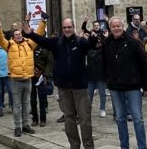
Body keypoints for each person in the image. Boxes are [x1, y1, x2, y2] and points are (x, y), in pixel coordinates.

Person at [26, 17, 100, 149]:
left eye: (69, 27)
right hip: (64, 87)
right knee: (69, 118)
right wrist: (30, 33)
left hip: (80, 87)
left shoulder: (80, 41)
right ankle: (74, 145)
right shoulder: (57, 42)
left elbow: (93, 46)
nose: (67, 30)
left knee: (84, 119)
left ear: (73, 27)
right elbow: (42, 40)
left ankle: (88, 146)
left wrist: (93, 38)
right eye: (65, 27)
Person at [101, 16, 147, 149]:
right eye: (113, 26)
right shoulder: (106, 43)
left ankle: (142, 147)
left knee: (137, 119)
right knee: (120, 118)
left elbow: (144, 64)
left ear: (122, 27)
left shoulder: (133, 42)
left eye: (118, 26)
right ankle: (124, 146)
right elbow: (104, 63)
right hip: (115, 87)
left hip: (132, 86)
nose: (116, 28)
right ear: (110, 28)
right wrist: (107, 80)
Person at [0, 16, 45, 136]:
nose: (18, 35)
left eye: (19, 34)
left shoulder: (29, 44)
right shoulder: (9, 45)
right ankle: (17, 126)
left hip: (28, 79)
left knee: (26, 104)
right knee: (17, 105)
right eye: (16, 34)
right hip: (16, 80)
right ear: (13, 36)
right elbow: (1, 40)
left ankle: (25, 125)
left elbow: (38, 34)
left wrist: (43, 22)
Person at [83, 20, 109, 119]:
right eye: (97, 42)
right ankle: (88, 109)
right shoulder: (89, 50)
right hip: (91, 75)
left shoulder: (103, 48)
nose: (99, 44)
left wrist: (106, 38)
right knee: (89, 94)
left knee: (102, 93)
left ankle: (102, 109)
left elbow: (107, 44)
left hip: (101, 75)